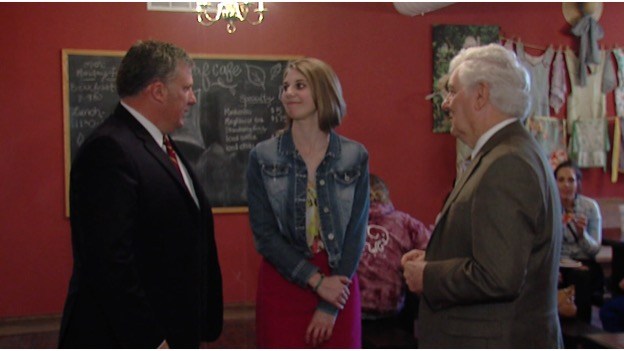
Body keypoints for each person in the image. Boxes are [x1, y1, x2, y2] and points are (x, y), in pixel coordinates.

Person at [58, 40, 223, 348]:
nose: (193, 98)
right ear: (157, 91)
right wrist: (150, 340)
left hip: (174, 329)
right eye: (186, 88)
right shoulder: (109, 149)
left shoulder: (159, 143)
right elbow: (108, 261)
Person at [401, 44, 563, 348]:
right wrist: (435, 259)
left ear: (480, 95)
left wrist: (429, 276)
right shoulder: (507, 152)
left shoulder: (507, 163)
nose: (446, 104)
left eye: (451, 91)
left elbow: (497, 275)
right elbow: (497, 253)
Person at [246, 57, 370, 348]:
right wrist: (315, 281)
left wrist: (330, 303)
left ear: (323, 92)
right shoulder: (263, 156)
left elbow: (356, 232)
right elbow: (264, 235)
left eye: (299, 85)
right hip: (283, 281)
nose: (289, 93)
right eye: (285, 86)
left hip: (340, 282)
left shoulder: (355, 156)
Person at [358, 174, 430, 334]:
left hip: (350, 311)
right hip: (391, 313)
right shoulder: (404, 222)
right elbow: (431, 249)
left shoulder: (344, 223)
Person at [555, 159, 604, 323]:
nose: (566, 185)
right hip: (557, 261)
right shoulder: (548, 205)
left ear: (578, 184)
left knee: (581, 276)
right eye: (561, 180)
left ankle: (581, 332)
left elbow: (595, 249)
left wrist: (582, 235)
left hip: (582, 260)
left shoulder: (590, 207)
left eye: (571, 180)